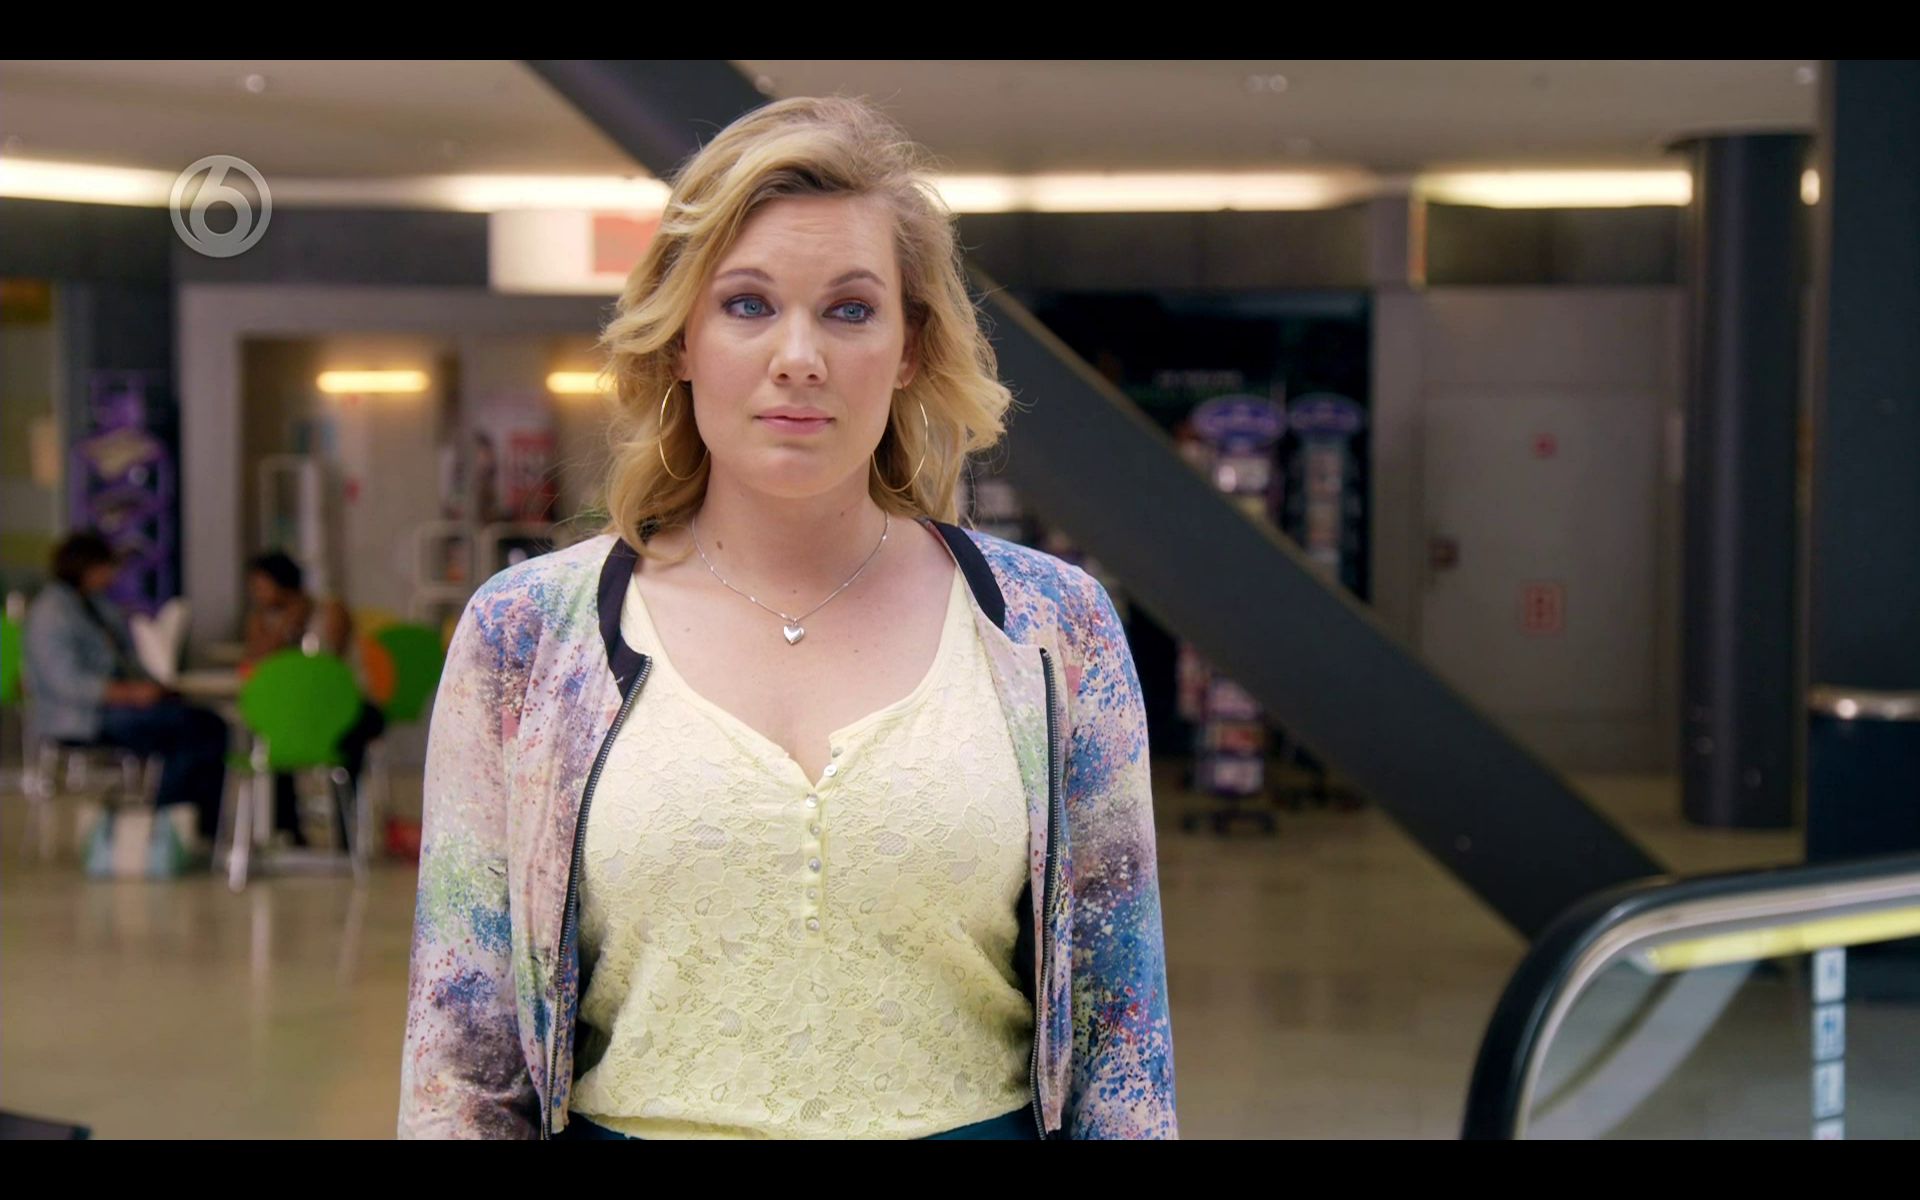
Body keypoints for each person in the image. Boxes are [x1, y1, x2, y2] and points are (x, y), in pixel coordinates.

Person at [398, 97, 1176, 1141]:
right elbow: (463, 1062)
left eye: (850, 310)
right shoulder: (529, 637)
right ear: (681, 338)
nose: (799, 356)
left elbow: (1124, 1050)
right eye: (748, 304)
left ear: (910, 348)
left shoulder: (1051, 630)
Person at [21, 531, 226, 844]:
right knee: (187, 730)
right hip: (81, 717)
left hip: (119, 706)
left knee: (206, 723)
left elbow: (127, 660)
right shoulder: (51, 612)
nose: (112, 575)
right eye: (106, 567)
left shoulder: (96, 606)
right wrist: (129, 693)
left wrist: (155, 687)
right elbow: (66, 683)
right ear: (86, 566)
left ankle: (198, 826)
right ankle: (167, 830)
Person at [241, 550, 385, 849]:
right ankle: (288, 829)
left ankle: (345, 831)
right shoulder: (261, 620)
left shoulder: (330, 611)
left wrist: (297, 620)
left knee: (347, 737)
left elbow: (325, 670)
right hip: (293, 712)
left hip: (345, 707)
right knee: (276, 736)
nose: (257, 594)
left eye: (261, 586)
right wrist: (284, 625)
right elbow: (256, 663)